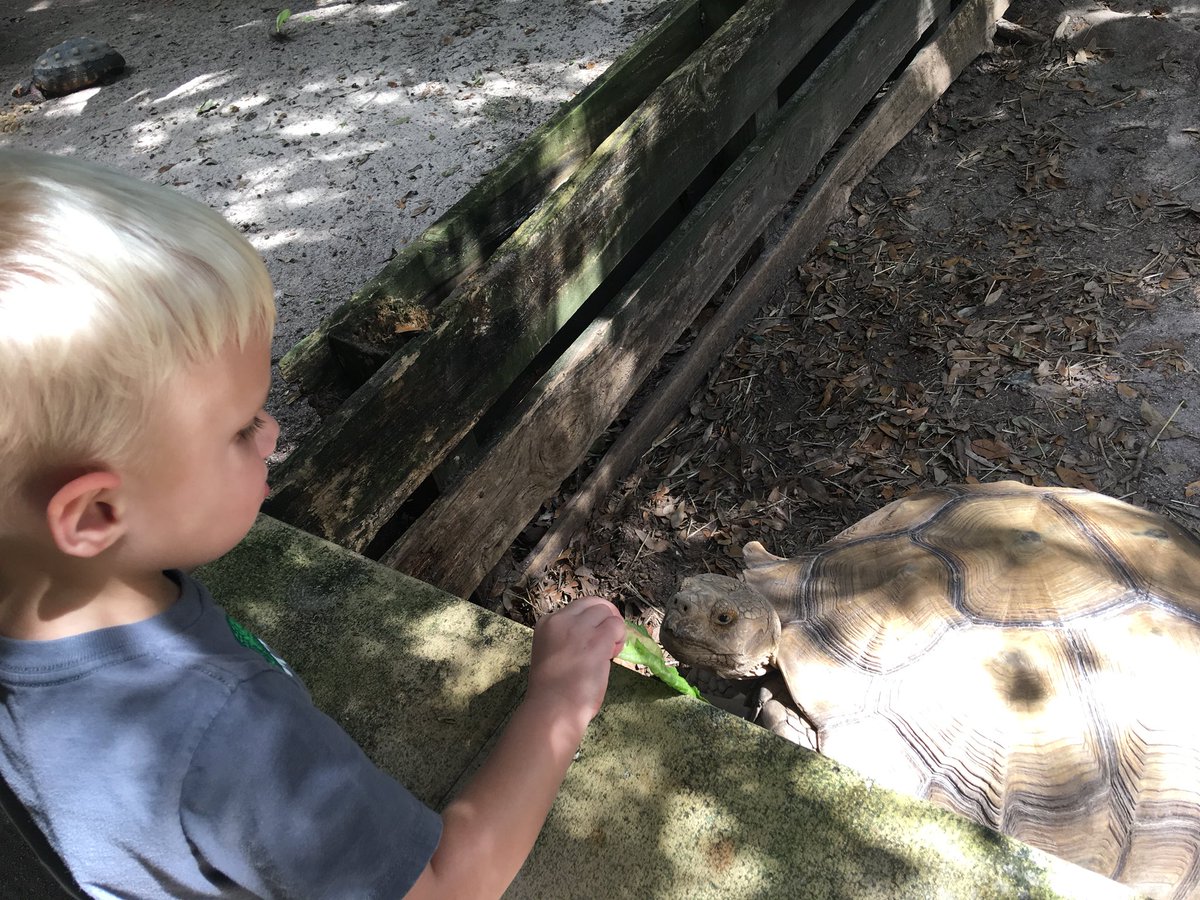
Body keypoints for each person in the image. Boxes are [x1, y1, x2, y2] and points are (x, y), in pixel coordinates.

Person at [0, 148, 627, 898]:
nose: (271, 434)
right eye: (240, 429)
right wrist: (559, 700)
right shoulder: (228, 733)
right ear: (96, 514)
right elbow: (447, 888)